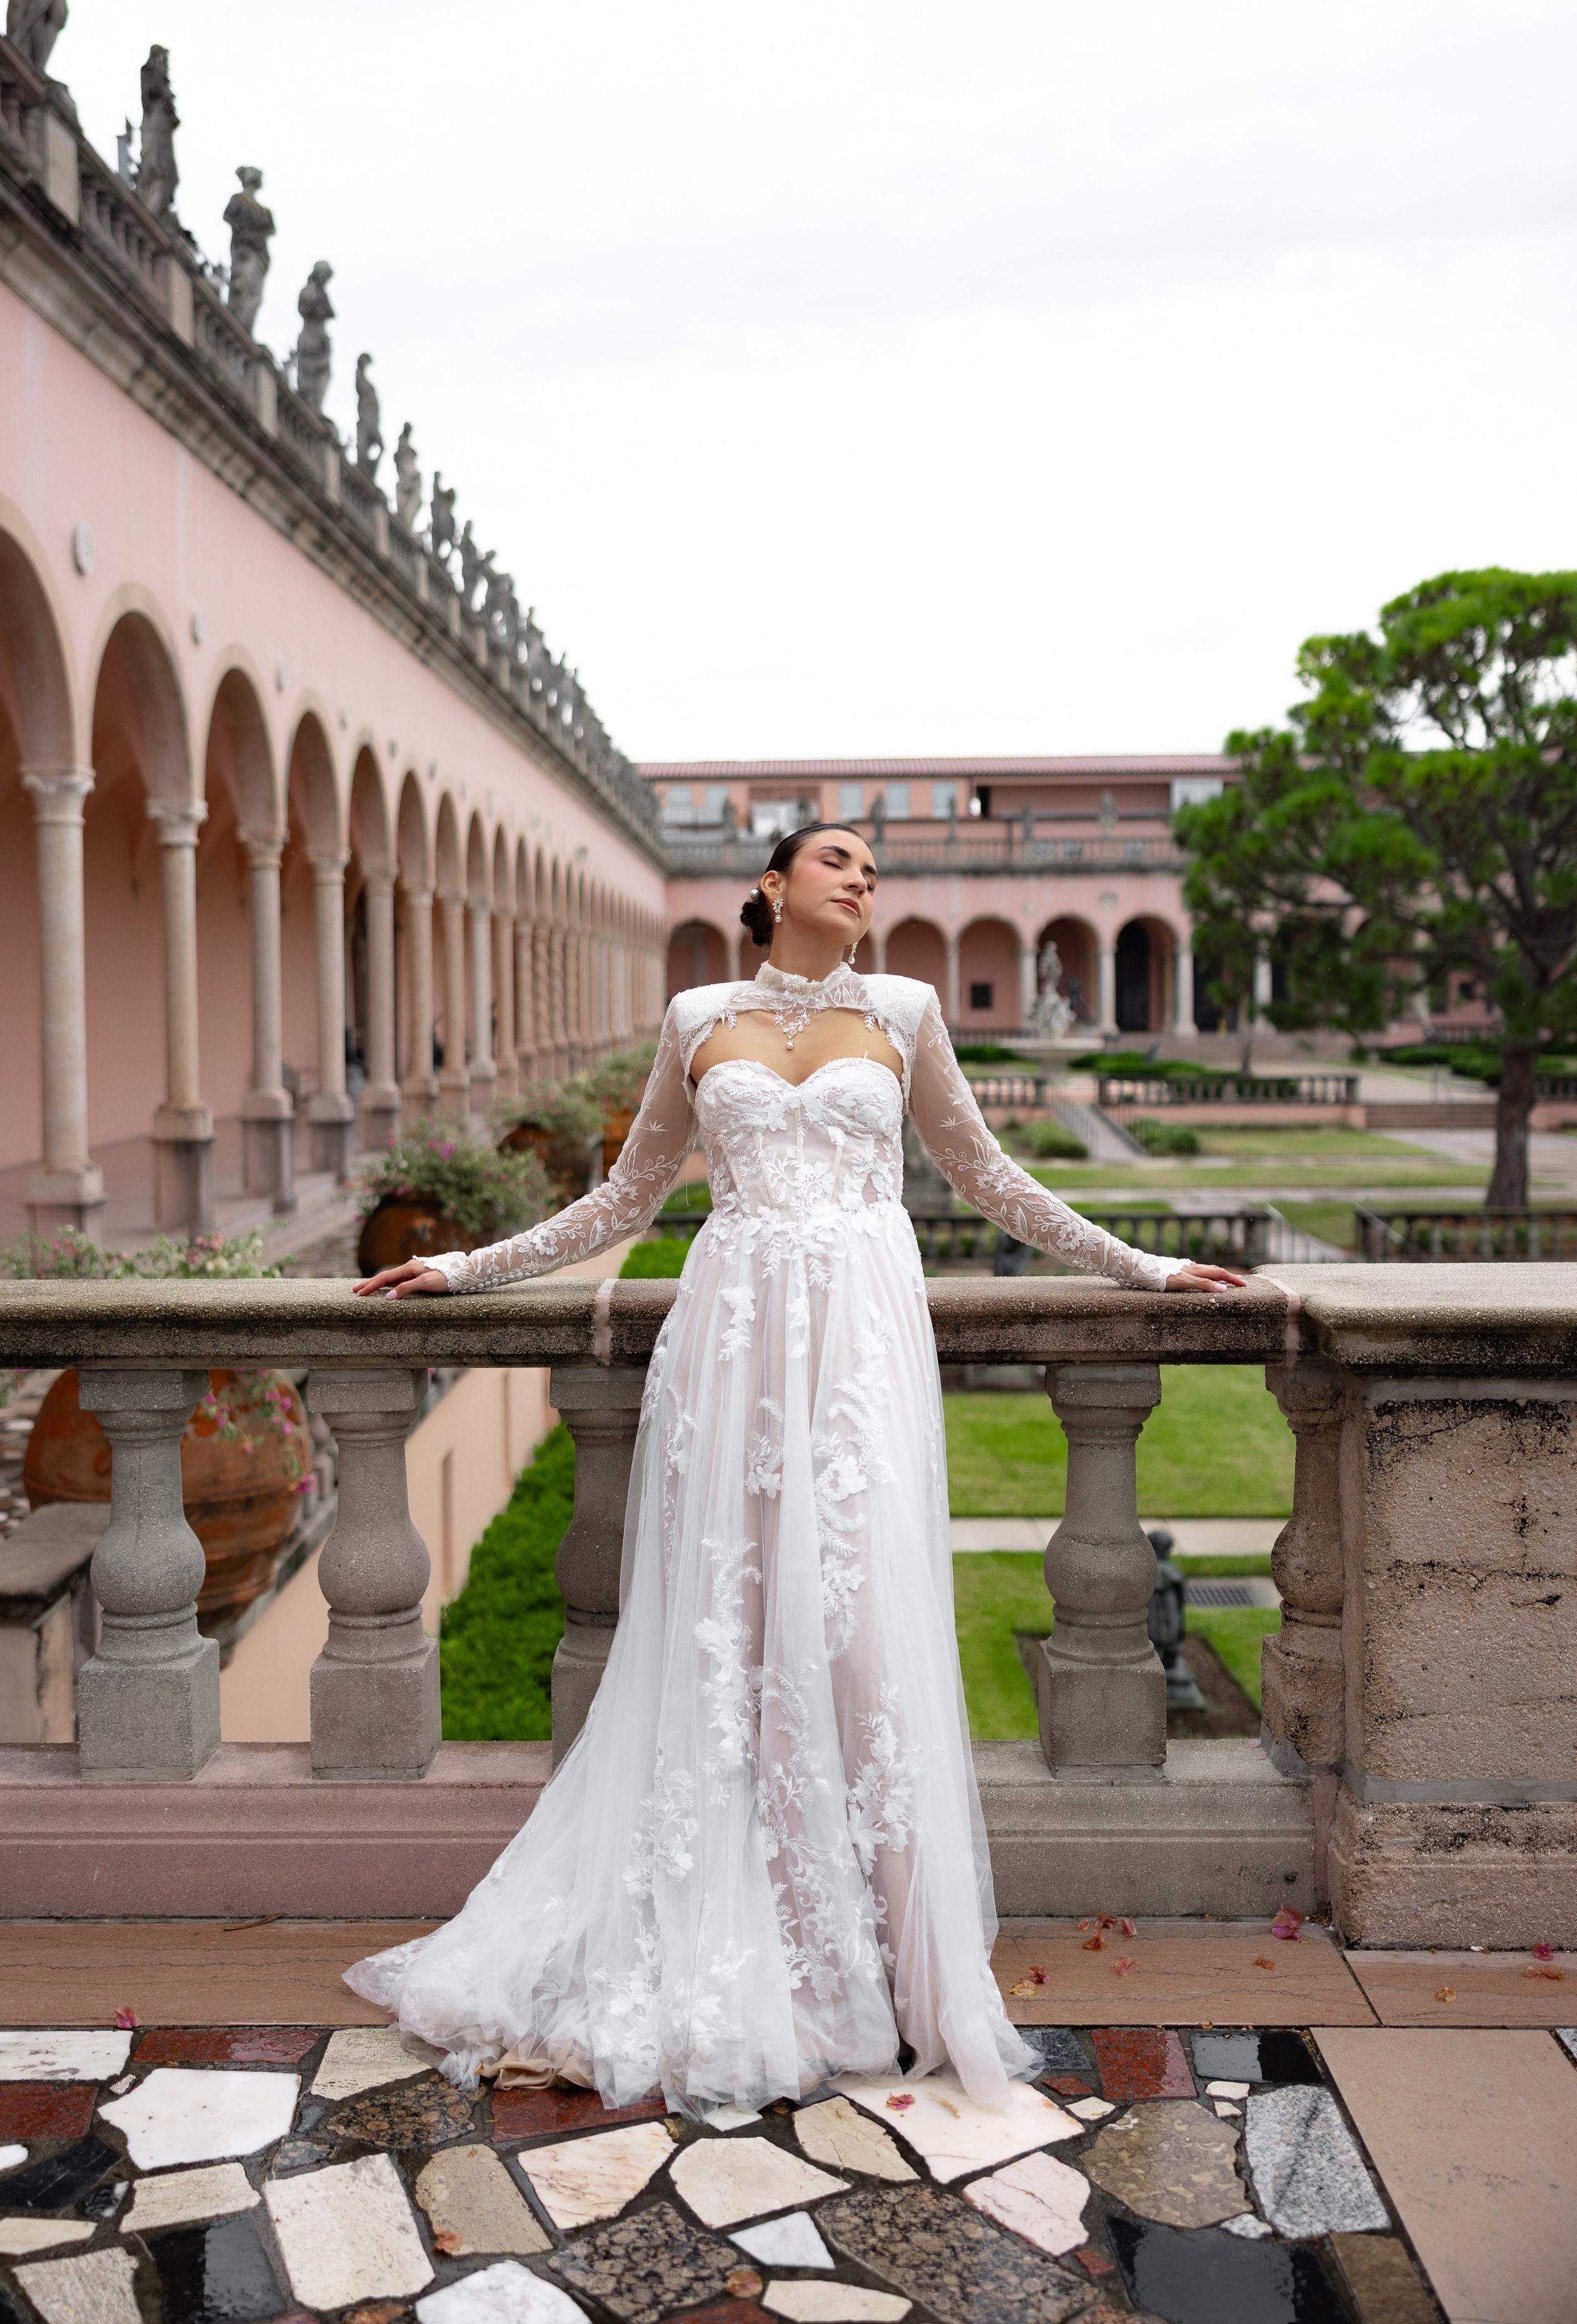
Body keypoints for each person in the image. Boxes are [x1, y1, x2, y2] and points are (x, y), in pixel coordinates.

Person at [350, 824, 1243, 2116]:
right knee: (727, 1637)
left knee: (861, 1638)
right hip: (726, 1351)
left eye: (874, 868)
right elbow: (621, 1200)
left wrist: (1150, 1267)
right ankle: (737, 1933)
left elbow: (987, 1176)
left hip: (860, 1357)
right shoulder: (695, 1014)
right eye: (837, 857)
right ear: (771, 885)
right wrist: (463, 1266)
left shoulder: (905, 1009)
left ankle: (885, 1962)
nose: (862, 878)